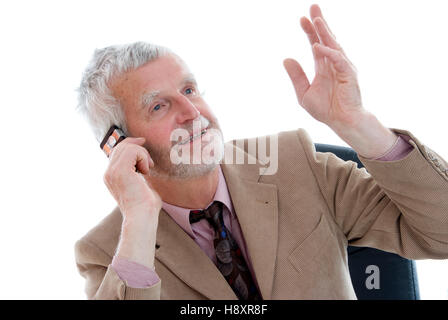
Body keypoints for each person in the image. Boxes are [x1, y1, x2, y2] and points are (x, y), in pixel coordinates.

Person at [74, 4, 448, 300]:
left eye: (189, 90)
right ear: (119, 144)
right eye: (158, 106)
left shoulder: (295, 162)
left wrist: (358, 124)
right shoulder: (106, 251)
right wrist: (139, 218)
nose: (191, 113)